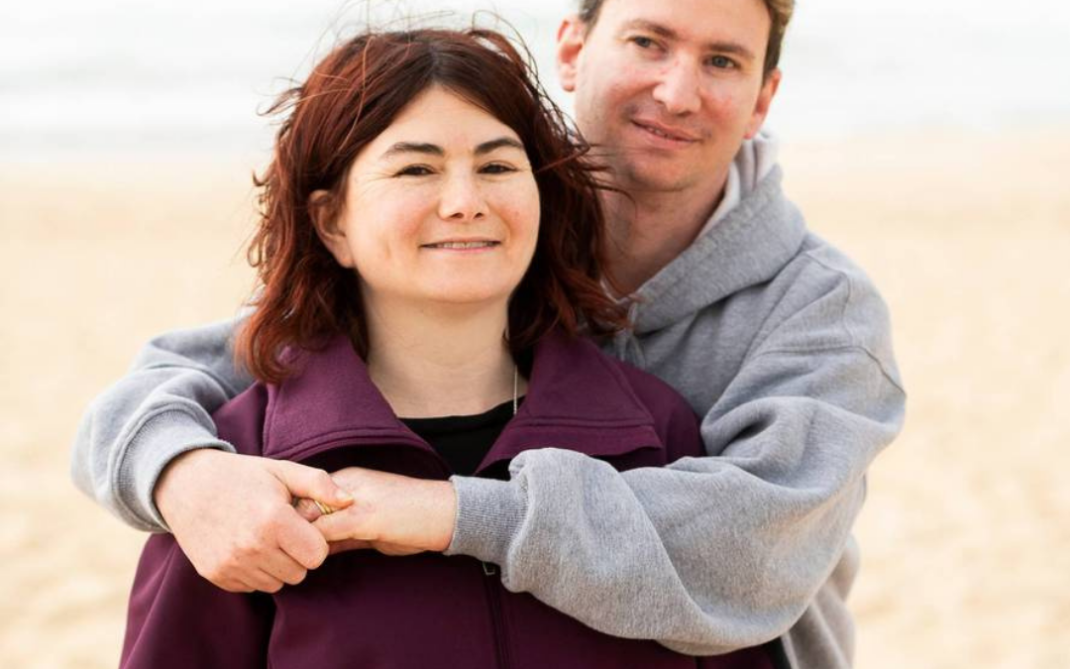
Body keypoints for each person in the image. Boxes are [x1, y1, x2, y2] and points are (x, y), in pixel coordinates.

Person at [73, 1, 906, 668]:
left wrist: (449, 510)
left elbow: (747, 552)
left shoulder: (817, 314)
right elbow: (186, 374)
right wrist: (182, 472)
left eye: (722, 60)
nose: (678, 91)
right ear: (572, 48)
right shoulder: (467, 239)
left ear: (764, 97)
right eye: (648, 41)